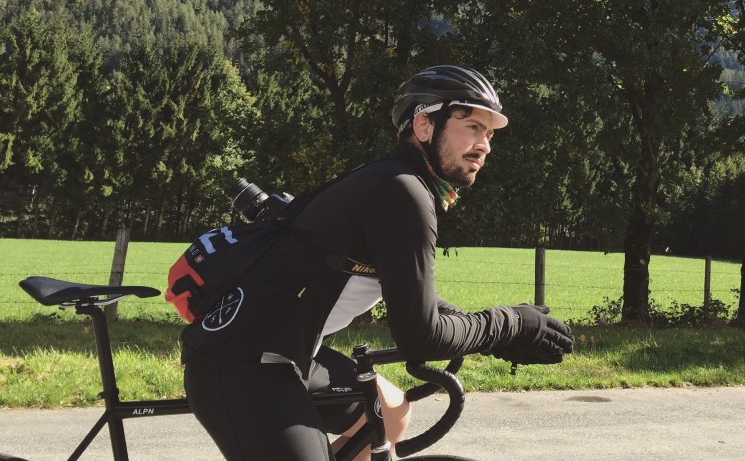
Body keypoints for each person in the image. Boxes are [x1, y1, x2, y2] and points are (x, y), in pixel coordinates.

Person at [182, 64, 574, 461]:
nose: (485, 144)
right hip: (241, 364)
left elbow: (410, 296)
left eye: (489, 134)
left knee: (392, 412)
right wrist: (512, 324)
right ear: (424, 125)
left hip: (289, 351)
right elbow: (421, 337)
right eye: (472, 126)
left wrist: (498, 338)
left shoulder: (392, 180)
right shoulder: (403, 193)